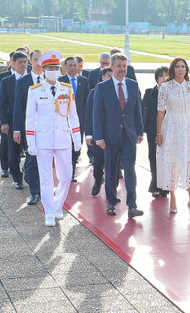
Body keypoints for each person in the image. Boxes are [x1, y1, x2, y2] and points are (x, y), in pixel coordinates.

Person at [25, 51, 81, 227]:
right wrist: (31, 142)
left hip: (63, 139)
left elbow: (73, 116)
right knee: (46, 178)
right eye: (50, 68)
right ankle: (49, 212)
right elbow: (29, 118)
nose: (53, 71)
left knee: (65, 177)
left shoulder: (67, 89)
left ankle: (57, 206)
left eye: (56, 68)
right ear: (43, 69)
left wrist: (77, 138)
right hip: (43, 139)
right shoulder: (34, 91)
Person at [92, 53, 144, 218]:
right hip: (110, 136)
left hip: (129, 135)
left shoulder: (133, 85)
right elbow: (97, 114)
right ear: (112, 67)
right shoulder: (102, 87)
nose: (122, 69)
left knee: (129, 169)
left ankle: (132, 205)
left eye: (124, 66)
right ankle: (112, 202)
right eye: (119, 66)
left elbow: (137, 111)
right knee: (111, 170)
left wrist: (140, 131)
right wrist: (98, 137)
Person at [156, 58, 190, 213]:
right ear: (173, 69)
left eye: (183, 67)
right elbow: (160, 111)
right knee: (172, 162)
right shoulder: (166, 87)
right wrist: (159, 132)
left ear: (186, 69)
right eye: (177, 67)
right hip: (171, 127)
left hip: (186, 128)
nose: (180, 69)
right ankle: (173, 197)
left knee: (189, 162)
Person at [12, 50, 44, 205]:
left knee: (43, 161)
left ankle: (43, 188)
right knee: (31, 161)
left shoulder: (50, 80)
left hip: (47, 129)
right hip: (30, 129)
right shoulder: (23, 82)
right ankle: (35, 192)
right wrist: (17, 130)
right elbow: (18, 107)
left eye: (41, 59)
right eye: (35, 59)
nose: (38, 62)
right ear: (30, 61)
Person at [0, 52, 28, 190]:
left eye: (25, 62)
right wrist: (4, 122)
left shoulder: (31, 80)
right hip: (12, 122)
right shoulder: (6, 81)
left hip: (29, 121)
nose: (23, 65)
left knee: (31, 151)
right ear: (13, 64)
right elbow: (2, 103)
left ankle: (29, 173)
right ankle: (17, 178)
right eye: (20, 62)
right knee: (13, 152)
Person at [59, 55, 89, 181]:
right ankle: (66, 170)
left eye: (75, 65)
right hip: (64, 119)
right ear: (65, 67)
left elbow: (87, 101)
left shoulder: (84, 81)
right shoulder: (60, 81)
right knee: (66, 145)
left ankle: (73, 167)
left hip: (79, 119)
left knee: (77, 144)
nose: (72, 68)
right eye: (70, 65)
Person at [142, 66, 170, 198]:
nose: (164, 79)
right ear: (157, 78)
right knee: (153, 157)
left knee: (167, 158)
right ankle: (155, 185)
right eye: (161, 76)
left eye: (166, 76)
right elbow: (143, 111)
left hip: (169, 130)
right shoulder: (150, 92)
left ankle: (165, 186)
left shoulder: (173, 92)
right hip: (153, 130)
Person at [85, 66, 114, 196]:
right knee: (98, 161)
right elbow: (89, 115)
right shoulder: (94, 91)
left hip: (114, 133)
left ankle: (112, 191)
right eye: (108, 76)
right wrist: (89, 134)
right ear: (102, 77)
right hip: (99, 133)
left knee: (113, 163)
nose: (110, 78)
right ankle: (98, 179)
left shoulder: (119, 92)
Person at [0, 53, 15, 177]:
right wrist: (0, 115)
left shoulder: (28, 76)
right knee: (5, 141)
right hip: (6, 114)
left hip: (21, 115)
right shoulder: (3, 76)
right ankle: (4, 167)